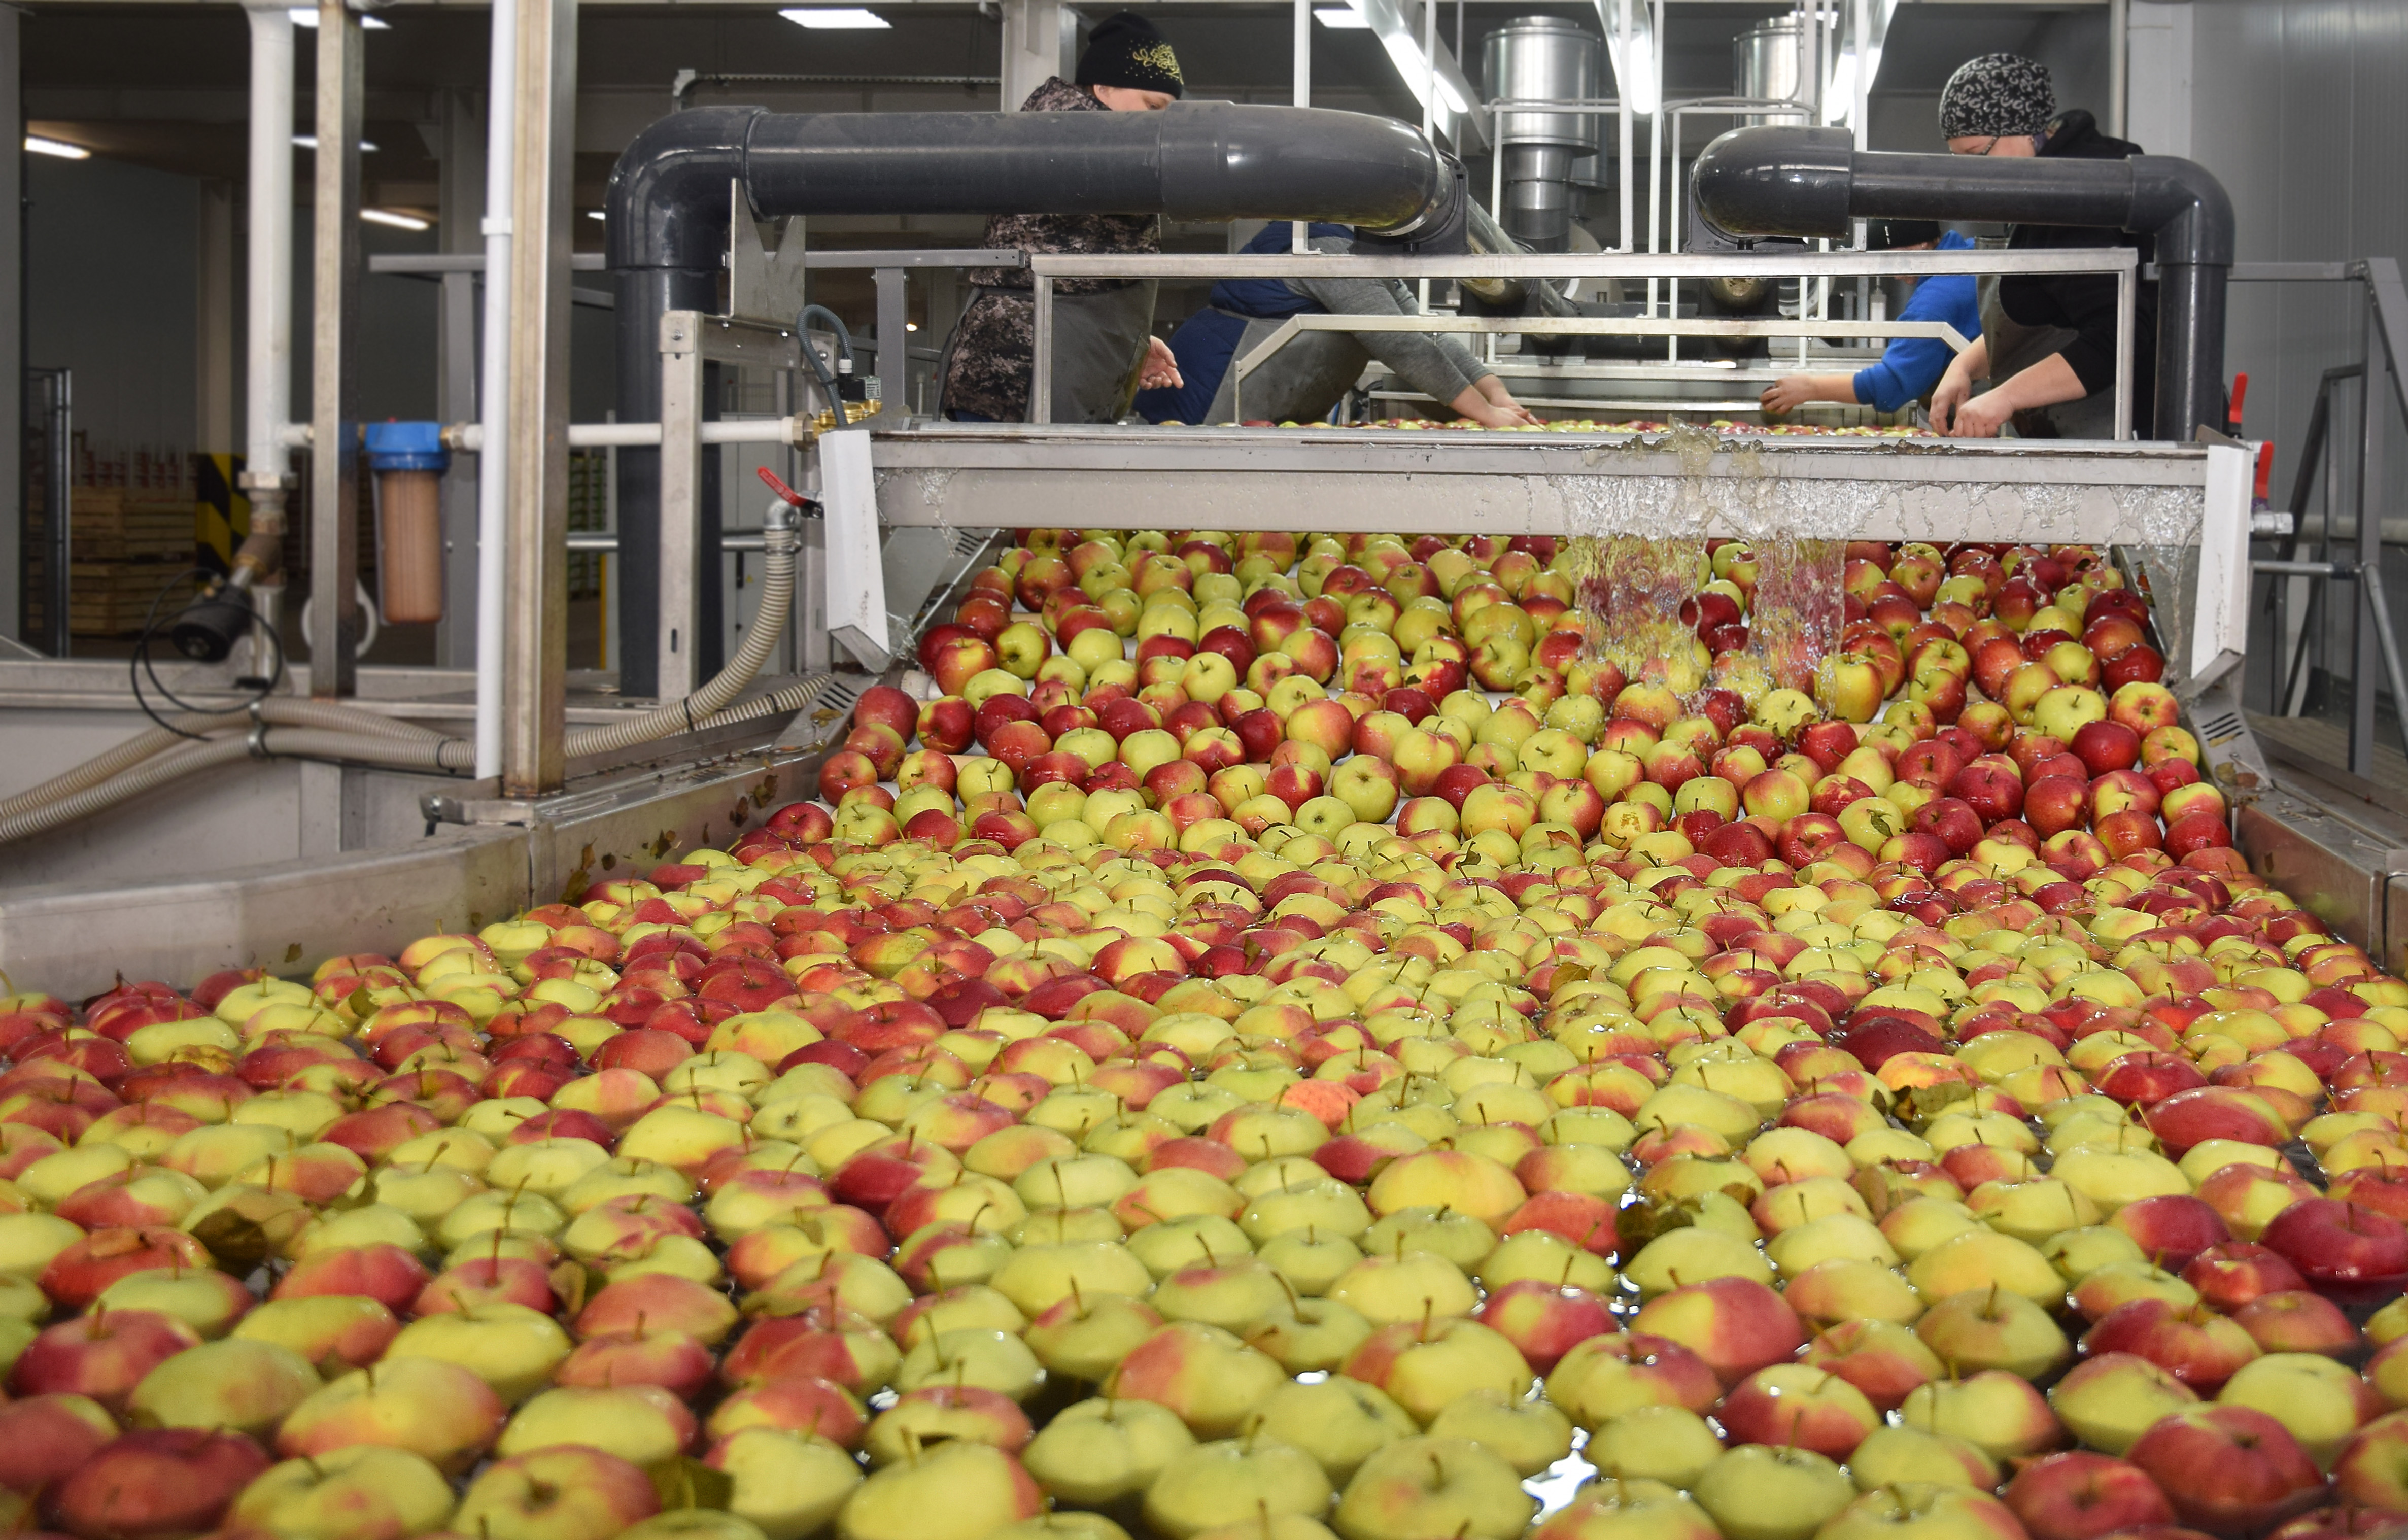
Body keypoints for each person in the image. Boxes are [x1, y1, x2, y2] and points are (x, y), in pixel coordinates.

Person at [937, 12, 1187, 424]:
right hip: (1019, 375)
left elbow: (1083, 264)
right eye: (1152, 105)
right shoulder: (1074, 135)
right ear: (1103, 88)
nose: (1159, 123)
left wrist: (1130, 345)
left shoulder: (1084, 138)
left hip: (1049, 364)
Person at [1925, 53, 2159, 439]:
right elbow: (2042, 318)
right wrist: (1964, 366)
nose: (1972, 175)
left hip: (2125, 435)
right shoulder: (2032, 192)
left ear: (2023, 131)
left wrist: (2006, 397)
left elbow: (2116, 340)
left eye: (1977, 154)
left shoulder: (2074, 196)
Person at [1134, 220, 1540, 427]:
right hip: (1209, 393)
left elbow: (1420, 330)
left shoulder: (1368, 256)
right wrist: (1484, 415)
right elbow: (1398, 344)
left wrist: (1497, 395)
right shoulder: (1327, 247)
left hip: (1262, 415)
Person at [1758, 220, 1981, 418]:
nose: (1894, 275)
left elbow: (1892, 386)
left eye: (1893, 259)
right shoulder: (1976, 255)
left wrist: (1811, 388)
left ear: (1921, 244)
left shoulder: (1935, 301)